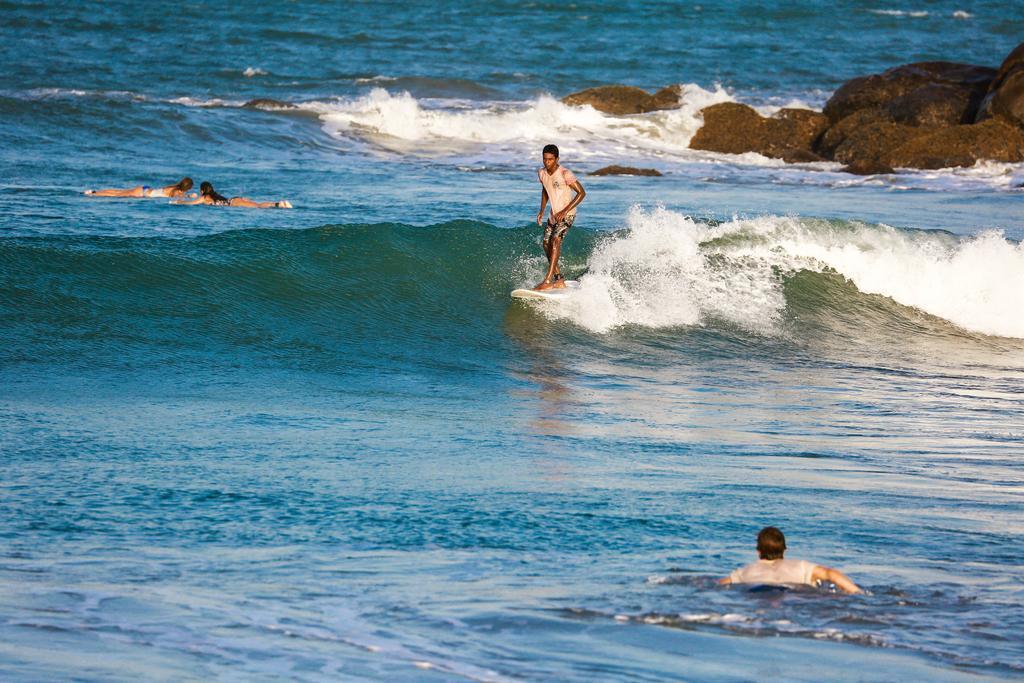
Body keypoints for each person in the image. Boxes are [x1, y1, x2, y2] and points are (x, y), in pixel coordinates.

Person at [719, 526, 862, 594]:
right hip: (792, 593)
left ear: (758, 551)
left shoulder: (745, 571)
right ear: (784, 549)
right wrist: (856, 592)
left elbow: (719, 584)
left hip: (758, 592)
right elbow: (830, 574)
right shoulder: (801, 567)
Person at [535, 144, 585, 290]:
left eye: (550, 159)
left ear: (557, 159)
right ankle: (559, 278)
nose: (547, 162)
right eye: (545, 159)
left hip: (567, 214)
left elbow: (581, 193)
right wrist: (542, 210)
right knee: (546, 244)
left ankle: (548, 280)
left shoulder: (565, 173)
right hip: (553, 215)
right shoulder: (542, 173)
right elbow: (545, 190)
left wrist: (564, 211)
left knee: (556, 241)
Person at [173, 182, 292, 209]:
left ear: (203, 190)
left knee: (258, 206)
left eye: (200, 190)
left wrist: (179, 202)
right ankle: (279, 203)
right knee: (257, 205)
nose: (199, 192)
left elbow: (192, 203)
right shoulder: (214, 195)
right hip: (234, 199)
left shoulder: (205, 198)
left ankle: (280, 204)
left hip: (233, 202)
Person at [85, 177, 194, 198]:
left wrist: (187, 195)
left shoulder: (174, 187)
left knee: (117, 192)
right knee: (117, 195)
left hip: (145, 188)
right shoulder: (176, 191)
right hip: (143, 193)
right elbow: (179, 198)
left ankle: (94, 191)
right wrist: (190, 196)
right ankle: (93, 194)